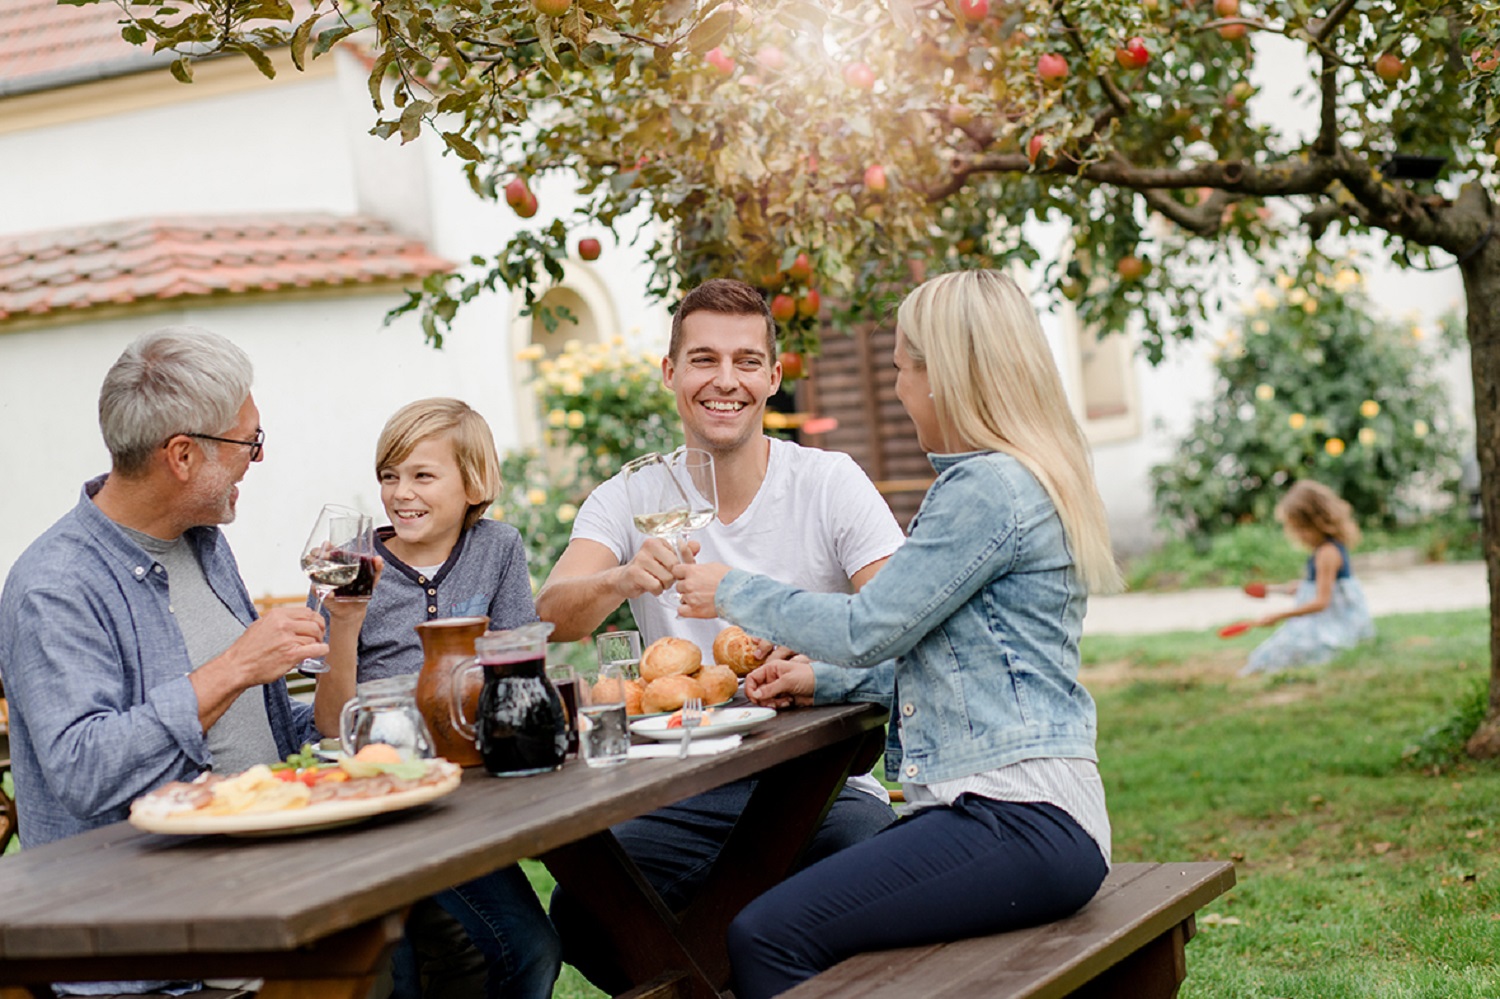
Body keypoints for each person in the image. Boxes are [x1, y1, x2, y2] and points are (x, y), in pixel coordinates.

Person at [673, 268, 1124, 998]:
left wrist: (731, 589)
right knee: (791, 922)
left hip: (1017, 819)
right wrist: (821, 679)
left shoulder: (985, 489)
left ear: (945, 377)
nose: (896, 387)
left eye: (901, 368)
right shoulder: (1018, 478)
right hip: (1033, 819)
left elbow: (870, 624)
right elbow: (951, 659)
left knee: (767, 936)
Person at [535, 277, 907, 993]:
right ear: (671, 373)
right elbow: (550, 612)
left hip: (823, 783)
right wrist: (619, 580)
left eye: (745, 361)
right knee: (584, 911)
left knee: (865, 870)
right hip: (679, 788)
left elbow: (900, 623)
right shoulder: (633, 495)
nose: (725, 381)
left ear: (773, 375)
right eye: (703, 359)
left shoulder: (829, 482)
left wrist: (817, 652)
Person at [0, 326, 328, 996]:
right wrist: (235, 665)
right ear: (181, 455)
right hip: (153, 951)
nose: (256, 460)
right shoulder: (55, 585)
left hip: (274, 894)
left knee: (429, 941)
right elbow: (83, 767)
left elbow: (256, 730)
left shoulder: (203, 544)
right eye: (249, 442)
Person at [315, 397, 561, 999]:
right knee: (390, 980)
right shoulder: (352, 565)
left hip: (466, 797)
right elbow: (328, 724)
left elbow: (519, 668)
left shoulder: (497, 547)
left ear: (473, 482)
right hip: (378, 799)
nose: (401, 493)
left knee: (531, 951)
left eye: (423, 475)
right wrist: (343, 624)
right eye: (390, 476)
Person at [1238, 479, 1375, 676]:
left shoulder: (1327, 553)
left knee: (1276, 653)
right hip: (1328, 623)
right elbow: (1315, 586)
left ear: (1319, 522)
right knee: (1271, 652)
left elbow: (1321, 602)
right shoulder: (1327, 548)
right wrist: (1275, 590)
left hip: (1333, 628)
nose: (1298, 535)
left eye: (1302, 529)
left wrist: (1278, 616)